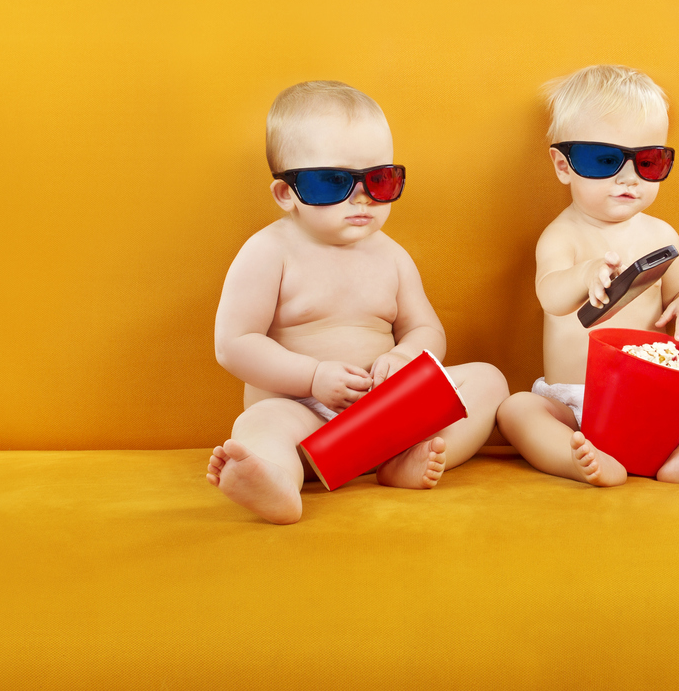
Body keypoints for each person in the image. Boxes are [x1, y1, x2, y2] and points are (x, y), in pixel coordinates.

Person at [206, 81, 509, 524]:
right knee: (260, 424)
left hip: (384, 415)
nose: (362, 196)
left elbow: (426, 329)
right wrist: (312, 378)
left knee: (488, 381)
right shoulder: (269, 252)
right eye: (332, 182)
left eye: (379, 179)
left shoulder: (391, 255)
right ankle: (276, 480)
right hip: (301, 413)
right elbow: (234, 343)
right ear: (286, 194)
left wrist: (405, 356)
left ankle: (400, 462)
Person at [496, 65, 679, 487]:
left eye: (647, 161)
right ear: (563, 165)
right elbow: (551, 296)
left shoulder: (661, 234)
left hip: (656, 398)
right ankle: (574, 460)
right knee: (516, 409)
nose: (628, 178)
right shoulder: (562, 235)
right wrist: (585, 275)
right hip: (577, 405)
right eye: (604, 160)